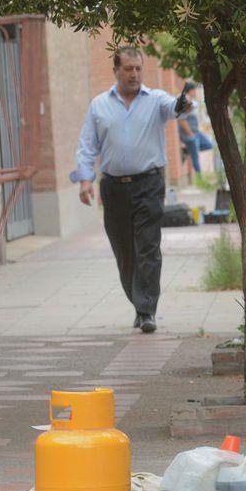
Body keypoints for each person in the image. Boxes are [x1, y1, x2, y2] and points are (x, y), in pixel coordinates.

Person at [71, 47, 192, 333]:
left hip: (148, 184)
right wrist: (85, 180)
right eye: (128, 69)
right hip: (113, 187)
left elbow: (176, 108)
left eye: (138, 68)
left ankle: (147, 309)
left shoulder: (156, 100)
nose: (134, 74)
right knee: (124, 251)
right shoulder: (99, 105)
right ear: (116, 71)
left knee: (148, 247)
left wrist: (184, 105)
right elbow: (87, 146)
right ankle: (139, 302)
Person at [178, 83, 214, 175]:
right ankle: (199, 177)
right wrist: (190, 135)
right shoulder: (184, 101)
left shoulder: (193, 102)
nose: (196, 92)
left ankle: (188, 150)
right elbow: (181, 120)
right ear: (190, 90)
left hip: (196, 132)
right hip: (189, 134)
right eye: (194, 90)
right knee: (195, 156)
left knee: (209, 144)